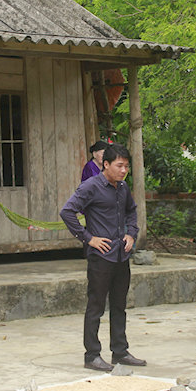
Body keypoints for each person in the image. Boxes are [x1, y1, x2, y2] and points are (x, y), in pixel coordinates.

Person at [60, 143, 146, 371]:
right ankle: (92, 356)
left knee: (119, 306)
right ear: (105, 164)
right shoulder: (91, 187)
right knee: (96, 306)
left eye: (126, 166)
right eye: (119, 165)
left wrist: (131, 233)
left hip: (121, 255)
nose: (123, 170)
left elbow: (131, 210)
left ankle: (120, 351)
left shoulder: (123, 188)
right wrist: (88, 238)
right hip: (101, 258)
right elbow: (67, 212)